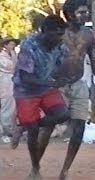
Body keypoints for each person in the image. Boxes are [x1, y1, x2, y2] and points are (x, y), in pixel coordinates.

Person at [12, 15, 70, 179]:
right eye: (56, 35)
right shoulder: (29, 46)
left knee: (63, 114)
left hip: (45, 87)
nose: (59, 38)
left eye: (61, 34)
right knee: (33, 132)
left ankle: (25, 125)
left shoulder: (59, 46)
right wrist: (50, 83)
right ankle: (35, 168)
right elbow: (25, 78)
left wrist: (62, 78)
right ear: (45, 31)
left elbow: (59, 66)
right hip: (26, 91)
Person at [0, 37, 19, 142]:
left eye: (13, 45)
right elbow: (8, 67)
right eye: (11, 44)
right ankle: (5, 130)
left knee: (11, 106)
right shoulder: (1, 56)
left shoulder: (11, 55)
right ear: (5, 45)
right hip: (4, 83)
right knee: (6, 106)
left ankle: (9, 129)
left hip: (11, 83)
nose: (13, 47)